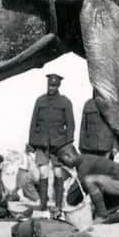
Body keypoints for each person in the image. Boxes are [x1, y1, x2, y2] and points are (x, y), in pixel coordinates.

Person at [28, 72, 75, 211]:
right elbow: (33, 122)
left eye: (54, 85)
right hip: (42, 144)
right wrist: (31, 143)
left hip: (59, 145)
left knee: (58, 173)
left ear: (58, 86)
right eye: (50, 85)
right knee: (43, 173)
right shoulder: (40, 101)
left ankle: (58, 205)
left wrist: (66, 144)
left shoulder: (65, 102)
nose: (51, 88)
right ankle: (43, 206)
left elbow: (70, 125)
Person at [56, 144, 119, 224]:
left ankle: (102, 215)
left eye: (62, 161)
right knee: (94, 220)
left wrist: (62, 204)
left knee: (89, 180)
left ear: (68, 156)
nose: (63, 164)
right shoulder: (85, 160)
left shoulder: (85, 164)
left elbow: (76, 193)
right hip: (117, 190)